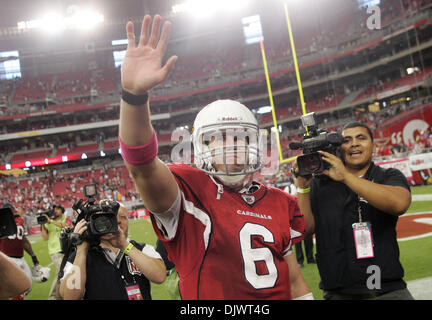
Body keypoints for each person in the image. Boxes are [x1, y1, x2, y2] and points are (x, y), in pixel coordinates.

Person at [118, 14, 312, 300]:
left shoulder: (281, 202)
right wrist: (134, 96)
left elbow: (294, 280)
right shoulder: (188, 191)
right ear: (200, 147)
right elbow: (142, 165)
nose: (232, 144)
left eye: (240, 136)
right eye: (219, 137)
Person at [293, 121, 414, 300]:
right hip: (338, 292)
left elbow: (399, 204)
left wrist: (345, 177)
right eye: (347, 140)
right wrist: (302, 189)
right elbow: (305, 229)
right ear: (339, 148)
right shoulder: (321, 183)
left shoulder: (388, 176)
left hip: (386, 290)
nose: (354, 143)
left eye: (361, 138)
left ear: (373, 146)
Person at [58, 202, 166, 300]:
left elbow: (160, 276)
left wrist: (125, 245)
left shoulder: (142, 249)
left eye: (123, 217)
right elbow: (69, 297)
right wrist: (81, 251)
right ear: (93, 223)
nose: (117, 221)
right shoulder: (80, 257)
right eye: (109, 217)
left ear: (128, 221)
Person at [0, 204, 46, 300]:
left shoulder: (19, 221)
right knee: (16, 289)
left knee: (27, 286)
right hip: (7, 258)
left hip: (20, 257)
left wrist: (33, 256)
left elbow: (24, 240)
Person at [40, 204, 72, 300]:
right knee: (61, 272)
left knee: (65, 272)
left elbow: (66, 226)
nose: (55, 211)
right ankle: (53, 297)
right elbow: (45, 238)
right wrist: (43, 224)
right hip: (55, 250)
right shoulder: (48, 223)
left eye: (57, 209)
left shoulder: (66, 218)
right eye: (54, 209)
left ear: (62, 210)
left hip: (67, 249)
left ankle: (62, 295)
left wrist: (50, 221)